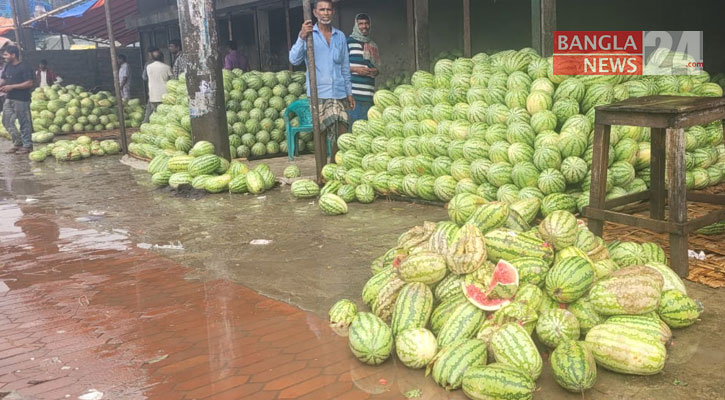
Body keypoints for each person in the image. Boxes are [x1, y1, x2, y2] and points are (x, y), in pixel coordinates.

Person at [289, 0, 354, 163]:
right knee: (320, 134)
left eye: (328, 10)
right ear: (315, 12)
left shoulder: (340, 37)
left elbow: (345, 67)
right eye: (322, 10)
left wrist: (349, 92)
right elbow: (294, 59)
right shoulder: (309, 35)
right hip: (319, 92)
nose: (325, 13)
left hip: (338, 92)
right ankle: (322, 172)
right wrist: (301, 37)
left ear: (333, 12)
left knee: (342, 133)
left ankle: (334, 167)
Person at [347, 13, 380, 125]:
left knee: (366, 129)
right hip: (353, 95)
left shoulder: (373, 45)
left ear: (370, 25)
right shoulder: (349, 42)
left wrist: (376, 71)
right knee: (354, 128)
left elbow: (376, 67)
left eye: (366, 23)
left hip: (369, 95)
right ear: (356, 25)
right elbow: (339, 67)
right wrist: (355, 69)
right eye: (360, 23)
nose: (364, 26)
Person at [0, 46, 34, 154]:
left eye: (6, 54)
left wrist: (12, 87)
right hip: (9, 98)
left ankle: (27, 145)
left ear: (13, 55)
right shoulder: (7, 66)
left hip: (21, 99)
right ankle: (18, 143)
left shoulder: (24, 67)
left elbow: (29, 83)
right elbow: (4, 79)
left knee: (24, 122)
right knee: (6, 121)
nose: (4, 56)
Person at [143, 50, 172, 123]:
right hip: (165, 95)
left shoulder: (148, 67)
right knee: (165, 116)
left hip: (153, 95)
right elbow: (172, 80)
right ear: (163, 58)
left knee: (156, 115)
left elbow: (145, 77)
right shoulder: (167, 67)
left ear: (152, 58)